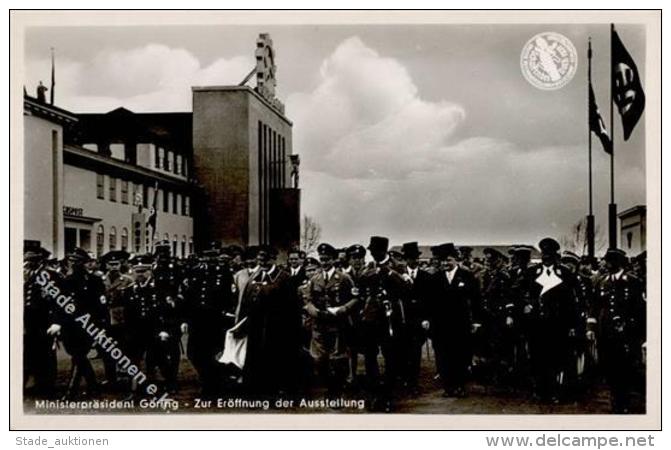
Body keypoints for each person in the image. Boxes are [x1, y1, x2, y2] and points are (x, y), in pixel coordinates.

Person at [589, 248, 645, 413]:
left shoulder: (632, 281)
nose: (604, 264)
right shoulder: (602, 281)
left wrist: (631, 327)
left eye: (607, 261)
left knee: (625, 367)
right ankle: (615, 398)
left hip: (625, 333)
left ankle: (624, 401)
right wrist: (591, 327)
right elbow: (595, 306)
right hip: (605, 332)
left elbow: (640, 309)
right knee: (609, 366)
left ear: (615, 262)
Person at [525, 238, 579, 404]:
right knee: (537, 358)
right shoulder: (532, 273)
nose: (545, 257)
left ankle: (555, 391)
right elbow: (522, 293)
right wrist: (526, 306)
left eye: (549, 254)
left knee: (556, 358)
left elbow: (573, 302)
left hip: (558, 324)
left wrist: (571, 325)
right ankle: (541, 391)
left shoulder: (565, 273)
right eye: (543, 254)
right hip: (537, 323)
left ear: (555, 255)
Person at [358, 236, 408, 411]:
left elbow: (406, 288)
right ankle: (374, 394)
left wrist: (388, 273)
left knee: (391, 357)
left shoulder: (398, 266)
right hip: (371, 318)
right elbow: (361, 287)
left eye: (374, 250)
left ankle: (387, 396)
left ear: (383, 250)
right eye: (371, 250)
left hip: (390, 319)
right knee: (370, 356)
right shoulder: (368, 268)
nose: (371, 253)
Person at [424, 243, 479, 398]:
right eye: (442, 261)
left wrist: (475, 321)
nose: (445, 263)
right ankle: (448, 387)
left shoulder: (467, 276)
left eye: (448, 260)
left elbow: (476, 300)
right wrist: (427, 318)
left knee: (460, 355)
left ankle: (460, 386)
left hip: (460, 324)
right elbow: (429, 302)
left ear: (456, 260)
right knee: (443, 356)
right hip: (440, 324)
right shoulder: (435, 278)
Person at [304, 243, 359, 398]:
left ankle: (335, 392)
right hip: (319, 324)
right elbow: (307, 300)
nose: (324, 262)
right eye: (322, 259)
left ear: (333, 260)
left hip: (337, 324)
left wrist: (343, 309)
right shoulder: (315, 279)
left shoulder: (344, 278)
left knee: (337, 360)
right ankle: (329, 385)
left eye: (327, 259)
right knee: (320, 360)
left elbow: (355, 299)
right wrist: (313, 310)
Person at [180, 249, 234, 396]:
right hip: (197, 320)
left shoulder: (224, 273)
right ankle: (208, 379)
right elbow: (188, 297)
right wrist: (185, 319)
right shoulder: (194, 272)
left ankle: (213, 383)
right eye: (206, 256)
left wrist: (227, 316)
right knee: (193, 353)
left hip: (215, 320)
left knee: (213, 352)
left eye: (212, 257)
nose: (209, 260)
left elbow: (229, 297)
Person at [123, 254, 179, 397]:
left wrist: (165, 330)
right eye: (137, 271)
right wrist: (128, 332)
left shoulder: (160, 290)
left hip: (155, 329)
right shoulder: (130, 290)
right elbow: (128, 314)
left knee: (159, 359)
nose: (139, 274)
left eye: (143, 271)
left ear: (150, 271)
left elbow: (167, 312)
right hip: (137, 331)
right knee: (134, 360)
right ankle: (135, 390)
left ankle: (170, 383)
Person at [58, 248, 107, 400]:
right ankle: (93, 387)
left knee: (79, 355)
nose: (73, 264)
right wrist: (58, 322)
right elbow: (60, 304)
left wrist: (101, 327)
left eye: (77, 261)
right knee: (77, 356)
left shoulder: (94, 281)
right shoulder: (65, 281)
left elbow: (100, 306)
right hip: (69, 325)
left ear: (84, 263)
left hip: (87, 324)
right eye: (71, 260)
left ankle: (70, 392)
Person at [23, 241, 59, 397]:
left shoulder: (50, 275)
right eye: (27, 259)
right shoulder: (24, 274)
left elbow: (59, 301)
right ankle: (34, 383)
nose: (28, 262)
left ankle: (47, 387)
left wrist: (56, 322)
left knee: (46, 355)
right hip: (28, 321)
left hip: (45, 320)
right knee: (30, 353)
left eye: (32, 260)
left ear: (40, 260)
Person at [399, 241, 430, 396]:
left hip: (419, 321)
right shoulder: (399, 275)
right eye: (411, 258)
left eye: (417, 258)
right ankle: (405, 380)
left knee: (416, 352)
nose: (415, 261)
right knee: (403, 352)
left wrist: (426, 318)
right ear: (406, 260)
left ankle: (414, 383)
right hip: (403, 320)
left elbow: (429, 300)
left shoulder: (426, 277)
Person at [100, 251, 134, 390]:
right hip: (104, 318)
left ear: (120, 265)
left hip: (121, 318)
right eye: (111, 264)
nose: (114, 267)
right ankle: (110, 378)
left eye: (116, 264)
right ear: (106, 265)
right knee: (105, 349)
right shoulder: (100, 279)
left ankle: (125, 375)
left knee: (124, 347)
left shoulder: (127, 280)